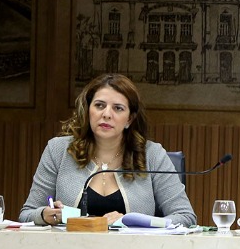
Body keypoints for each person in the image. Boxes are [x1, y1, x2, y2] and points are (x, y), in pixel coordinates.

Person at [19, 73, 196, 226]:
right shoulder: (58, 150)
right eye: (99, 105)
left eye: (118, 108)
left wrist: (133, 221)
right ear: (88, 110)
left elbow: (186, 217)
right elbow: (27, 214)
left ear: (129, 119)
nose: (106, 114)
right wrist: (44, 215)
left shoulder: (152, 154)